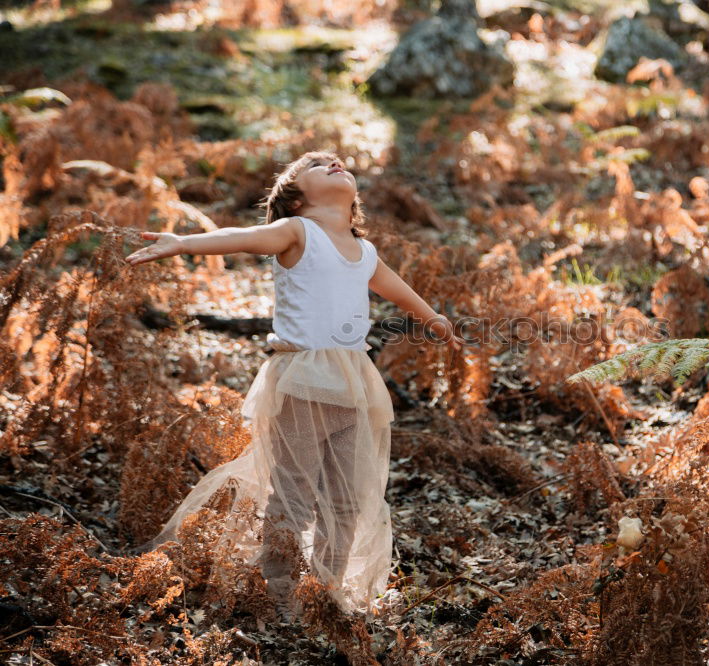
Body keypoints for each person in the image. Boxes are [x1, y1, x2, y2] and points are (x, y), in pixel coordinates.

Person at [124, 150, 463, 622]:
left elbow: (397, 289)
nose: (336, 162)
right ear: (297, 198)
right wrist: (183, 242)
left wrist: (434, 319)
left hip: (353, 384)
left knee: (350, 498)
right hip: (304, 379)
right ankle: (279, 594)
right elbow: (242, 239)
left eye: (340, 160)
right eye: (319, 164)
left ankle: (329, 592)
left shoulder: (364, 252)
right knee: (294, 493)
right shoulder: (298, 232)